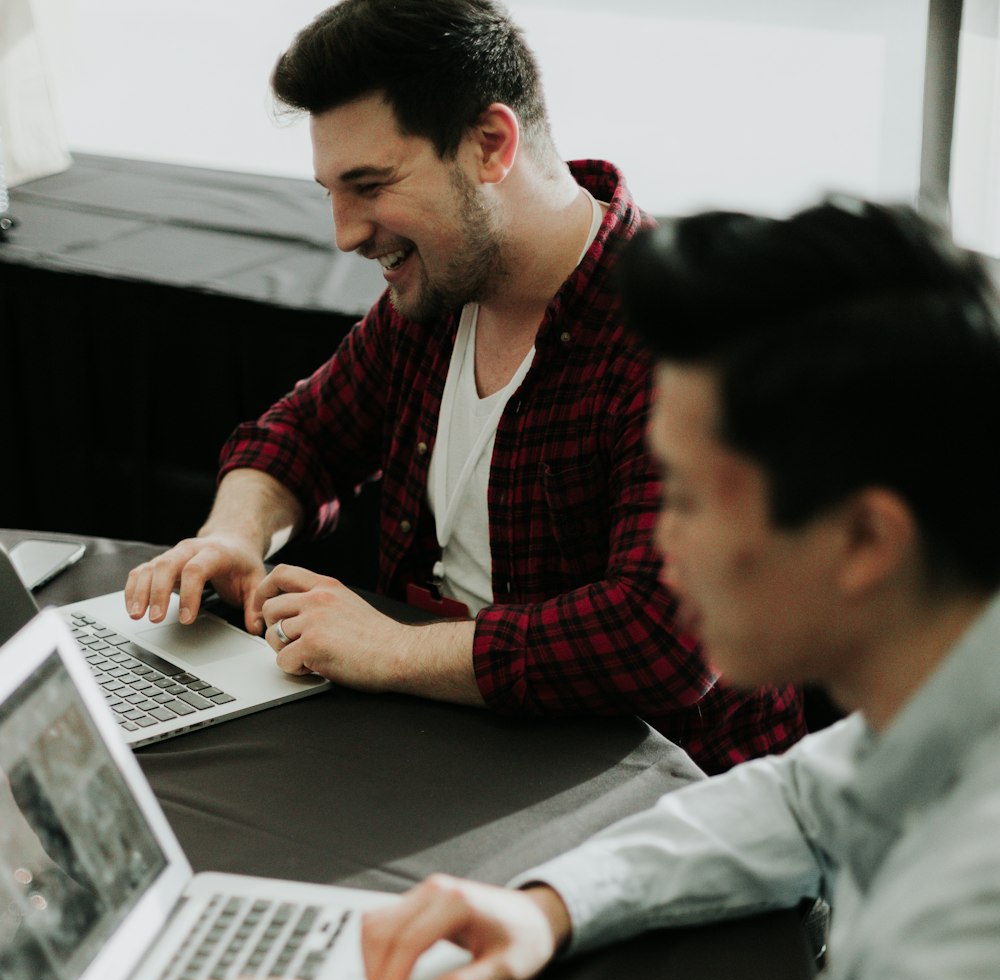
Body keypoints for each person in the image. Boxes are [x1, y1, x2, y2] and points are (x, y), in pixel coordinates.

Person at [175, 196, 1000, 980]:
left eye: (679, 494)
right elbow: (800, 798)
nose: (654, 546)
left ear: (864, 540)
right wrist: (553, 900)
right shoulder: (956, 679)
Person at [122, 0, 803, 776]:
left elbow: (665, 638)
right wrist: (233, 534)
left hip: (657, 797)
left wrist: (395, 650)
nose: (344, 233)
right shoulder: (438, 296)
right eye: (331, 192)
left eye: (370, 185)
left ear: (490, 145)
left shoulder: (687, 335)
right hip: (454, 747)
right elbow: (302, 435)